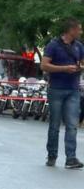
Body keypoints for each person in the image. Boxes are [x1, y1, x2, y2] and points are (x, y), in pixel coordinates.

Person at [41, 17, 84, 169]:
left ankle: (71, 158)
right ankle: (52, 155)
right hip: (56, 89)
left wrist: (79, 67)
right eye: (78, 29)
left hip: (73, 89)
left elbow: (82, 62)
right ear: (70, 30)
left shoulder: (79, 46)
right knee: (55, 125)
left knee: (72, 125)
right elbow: (44, 65)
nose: (80, 31)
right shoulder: (53, 45)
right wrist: (64, 68)